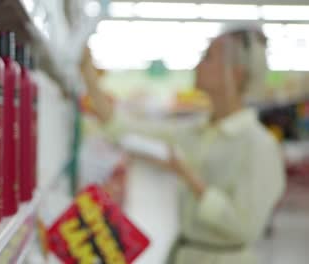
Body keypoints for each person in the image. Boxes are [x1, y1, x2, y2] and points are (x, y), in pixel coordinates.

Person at [81, 24, 285, 264]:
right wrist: (89, 77)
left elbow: (244, 227)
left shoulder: (259, 145)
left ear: (236, 74)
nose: (198, 65)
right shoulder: (195, 131)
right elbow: (123, 128)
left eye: (208, 57)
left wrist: (188, 176)